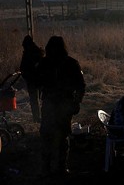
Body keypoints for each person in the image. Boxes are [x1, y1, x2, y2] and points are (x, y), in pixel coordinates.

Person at [34, 35, 85, 177]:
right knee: (62, 138)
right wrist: (76, 102)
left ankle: (47, 168)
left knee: (48, 137)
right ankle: (61, 168)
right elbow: (81, 86)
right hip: (64, 105)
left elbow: (36, 83)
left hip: (52, 105)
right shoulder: (71, 63)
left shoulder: (44, 63)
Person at [18, 35, 44, 123]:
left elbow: (23, 68)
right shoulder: (39, 52)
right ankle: (41, 117)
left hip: (33, 81)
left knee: (35, 100)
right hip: (39, 80)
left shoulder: (28, 53)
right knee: (41, 99)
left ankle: (37, 117)